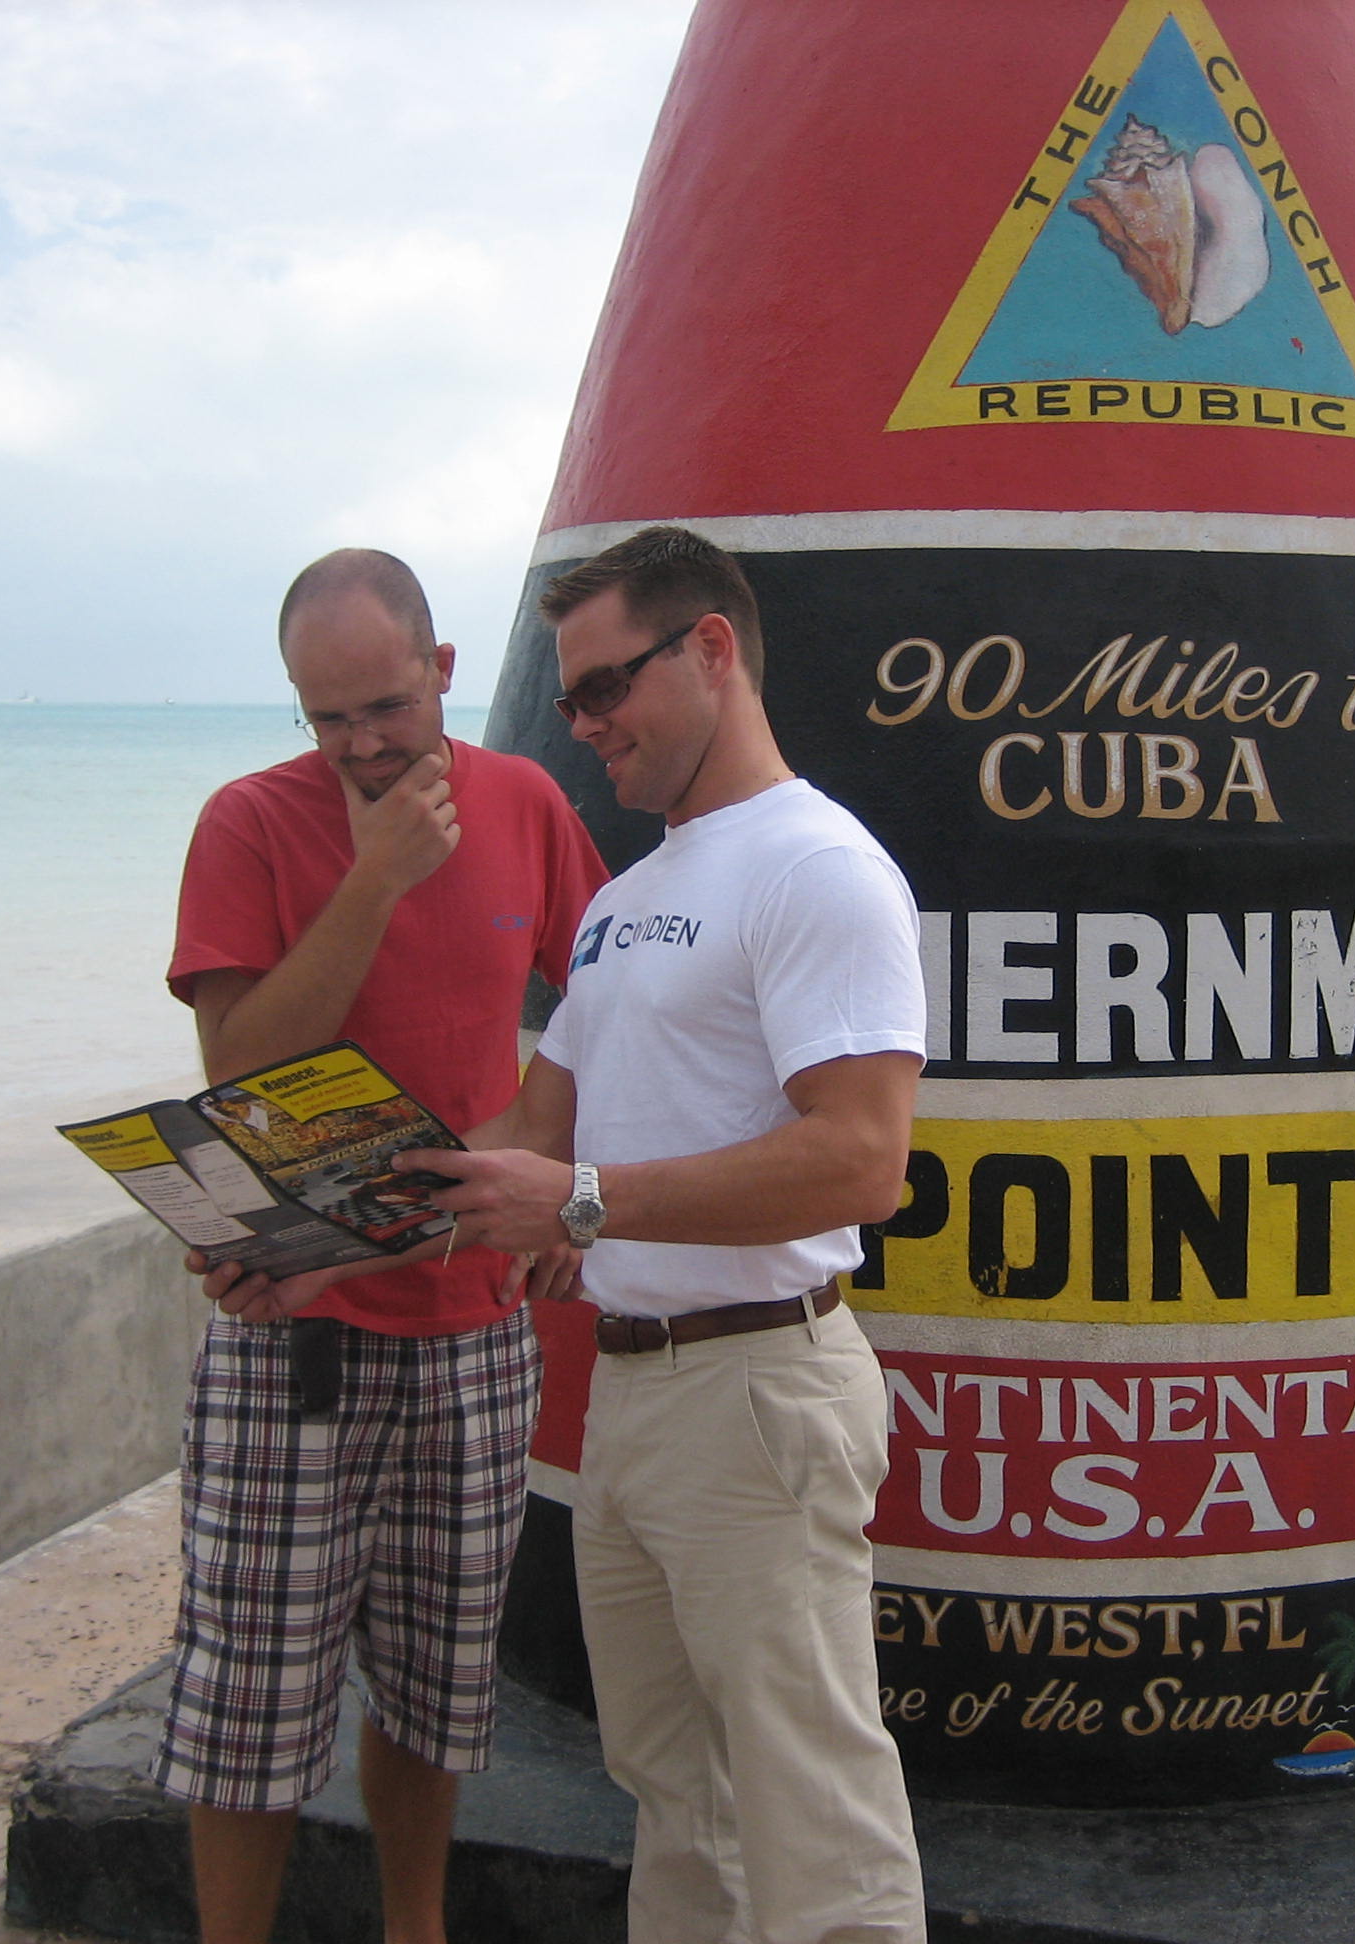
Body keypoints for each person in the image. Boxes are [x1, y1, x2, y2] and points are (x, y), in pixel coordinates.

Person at [210, 526, 931, 1944]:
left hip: (762, 1390)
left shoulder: (815, 867)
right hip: (635, 1399)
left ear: (712, 650)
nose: (586, 722)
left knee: (814, 1817)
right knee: (674, 1797)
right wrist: (314, 1248)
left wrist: (591, 1208)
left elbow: (865, 1159)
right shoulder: (628, 902)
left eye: (611, 688)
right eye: (574, 696)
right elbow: (522, 1148)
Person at [159, 548, 606, 1944]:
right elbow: (235, 1069)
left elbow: (612, 1005)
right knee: (251, 1697)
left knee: (436, 1686)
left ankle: (417, 1931)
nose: (360, 746)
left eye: (385, 710)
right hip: (293, 1333)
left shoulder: (527, 802)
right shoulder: (248, 824)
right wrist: (374, 880)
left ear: (444, 674)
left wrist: (562, 1188)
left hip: (472, 1329)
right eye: (327, 718)